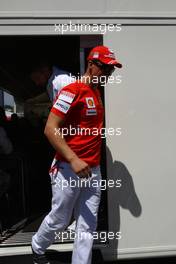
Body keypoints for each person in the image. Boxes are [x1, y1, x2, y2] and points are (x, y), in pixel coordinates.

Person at [31, 46, 122, 264]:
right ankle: (37, 245)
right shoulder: (72, 90)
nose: (109, 74)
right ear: (91, 65)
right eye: (106, 69)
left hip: (93, 170)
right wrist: (73, 158)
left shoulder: (96, 92)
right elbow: (50, 128)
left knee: (88, 223)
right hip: (67, 169)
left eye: (112, 70)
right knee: (61, 219)